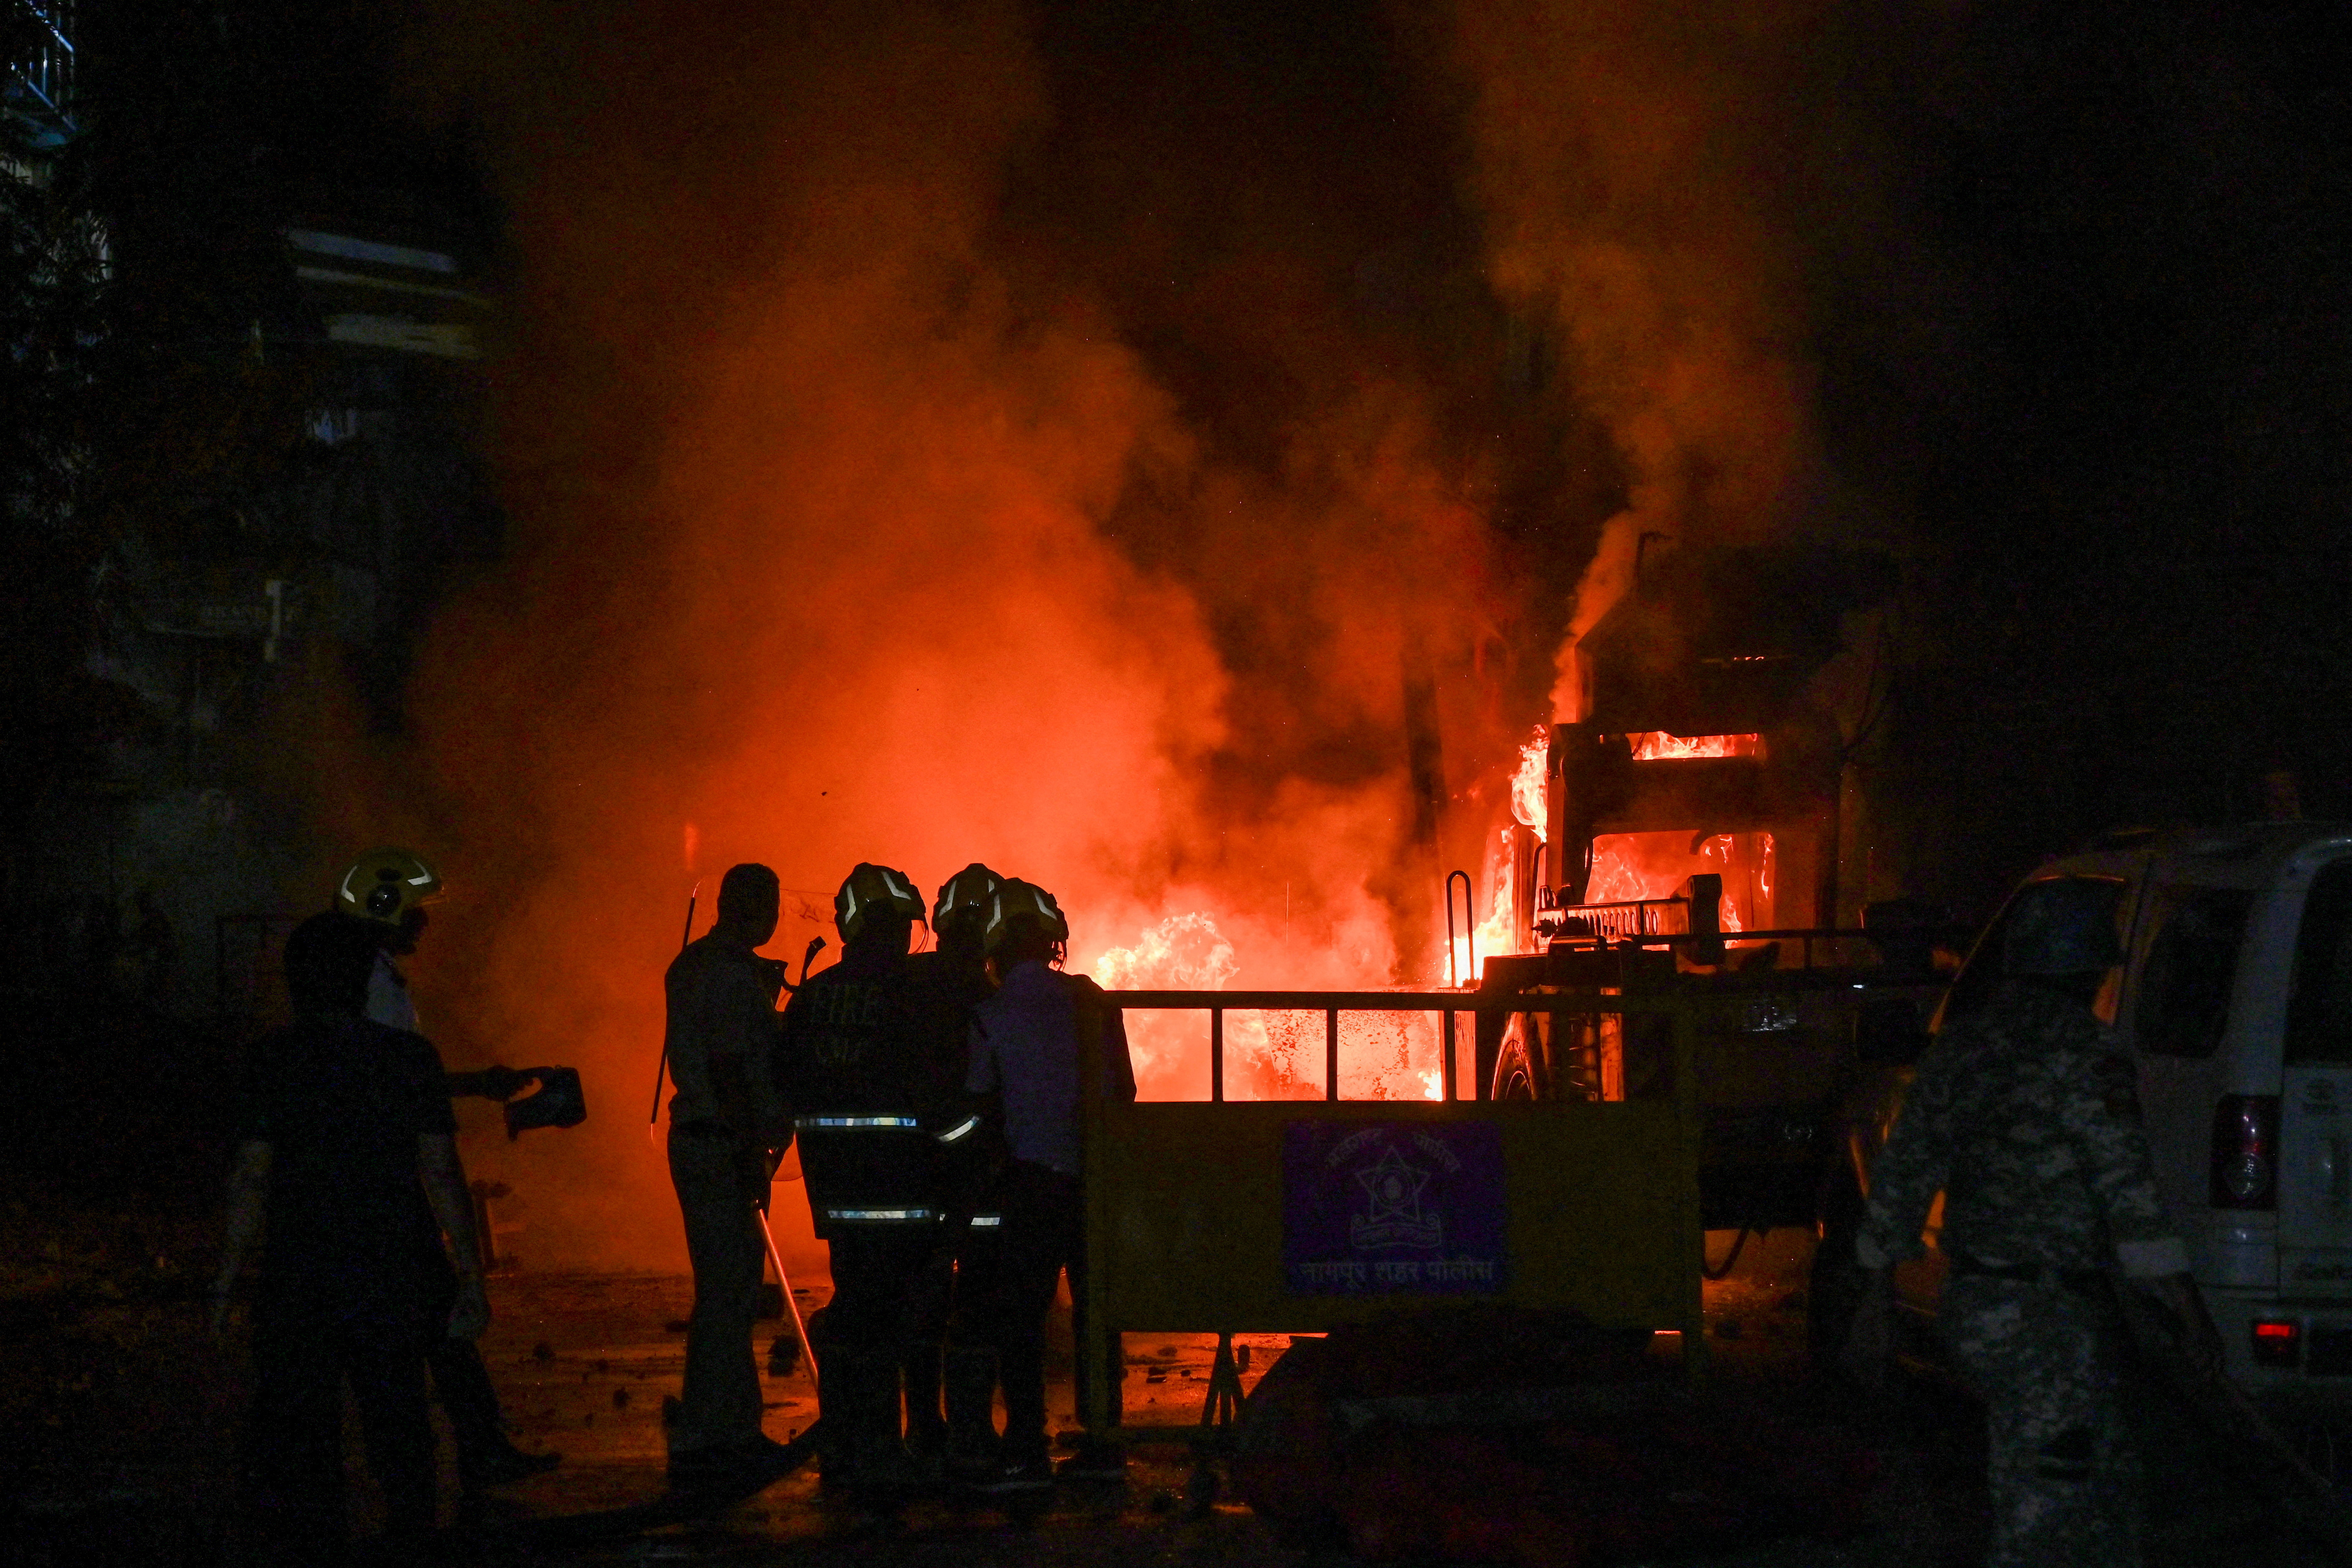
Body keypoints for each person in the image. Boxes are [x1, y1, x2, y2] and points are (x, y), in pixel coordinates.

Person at [1842, 878, 2223, 1568]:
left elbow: (1902, 1177)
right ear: (2088, 967)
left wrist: (1874, 1302)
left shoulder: (1965, 1049)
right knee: (2048, 1504)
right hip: (2047, 1320)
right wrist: (2187, 1311)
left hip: (1982, 1304)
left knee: (2093, 1479)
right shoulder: (2086, 1054)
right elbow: (2129, 1196)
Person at [213, 911, 488, 1555]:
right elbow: (442, 1173)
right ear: (362, 980)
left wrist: (226, 1280)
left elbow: (251, 1178)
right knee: (400, 1430)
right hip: (389, 1270)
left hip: (299, 1275)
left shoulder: (271, 1061)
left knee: (302, 1437)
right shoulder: (408, 1058)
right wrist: (470, 1277)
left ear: (295, 983)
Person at [336, 847, 560, 1493]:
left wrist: (474, 1084)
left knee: (432, 1317)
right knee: (435, 1309)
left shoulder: (366, 976)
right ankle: (446, 1464)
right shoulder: (373, 984)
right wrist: (469, 1088)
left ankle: (475, 1447)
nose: (423, 926)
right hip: (385, 1172)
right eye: (415, 912)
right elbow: (394, 1081)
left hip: (373, 1169)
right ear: (383, 907)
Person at [776, 862, 966, 1498]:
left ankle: (847, 1445)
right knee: (904, 1317)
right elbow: (941, 1095)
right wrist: (976, 1151)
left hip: (838, 1193)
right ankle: (891, 1448)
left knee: (857, 1310)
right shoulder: (912, 996)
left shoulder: (810, 998)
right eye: (901, 925)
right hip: (905, 1189)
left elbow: (786, 1087)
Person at [963, 879, 1136, 1490]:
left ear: (997, 945)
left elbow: (980, 1104)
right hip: (1095, 1183)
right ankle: (1104, 1444)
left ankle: (1027, 1450)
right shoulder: (1092, 1000)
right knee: (1097, 1313)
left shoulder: (988, 1016)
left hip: (1028, 1186)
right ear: (1053, 941)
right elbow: (1126, 1093)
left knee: (1023, 1320)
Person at [661, 861, 797, 1487]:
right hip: (721, 1145)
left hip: (697, 1140)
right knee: (731, 1293)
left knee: (722, 1291)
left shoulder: (692, 965)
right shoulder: (733, 976)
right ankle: (727, 1436)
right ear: (755, 907)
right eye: (769, 905)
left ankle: (706, 1422)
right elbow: (733, 1069)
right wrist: (752, 1152)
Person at [900, 863, 1004, 1469]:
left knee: (923, 1299)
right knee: (979, 1303)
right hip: (978, 1174)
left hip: (913, 1173)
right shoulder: (988, 997)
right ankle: (970, 1430)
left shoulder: (910, 982)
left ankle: (922, 1427)